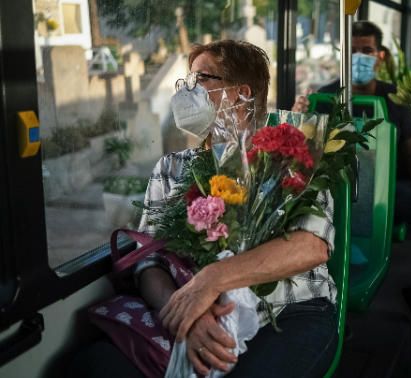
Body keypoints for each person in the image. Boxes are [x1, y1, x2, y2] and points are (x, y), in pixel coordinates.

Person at [129, 40, 337, 377]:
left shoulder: (291, 157)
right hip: (193, 306)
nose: (187, 93)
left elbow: (311, 245)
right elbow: (148, 261)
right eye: (186, 82)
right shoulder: (171, 169)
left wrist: (210, 280)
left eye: (201, 80)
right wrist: (185, 312)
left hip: (287, 311)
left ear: (241, 94)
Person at [293, 20, 411, 346]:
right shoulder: (325, 96)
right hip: (338, 189)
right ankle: (324, 300)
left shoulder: (397, 100)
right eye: (353, 51)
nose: (360, 57)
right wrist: (299, 115)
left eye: (367, 51)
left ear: (380, 56)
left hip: (393, 189)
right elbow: (305, 151)